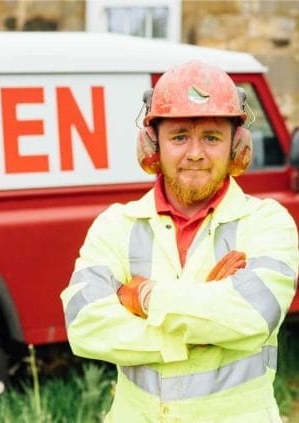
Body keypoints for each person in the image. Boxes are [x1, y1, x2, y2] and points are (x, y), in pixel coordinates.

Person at [60, 60, 299, 422]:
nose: (195, 153)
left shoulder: (267, 222)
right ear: (152, 146)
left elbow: (251, 315)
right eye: (179, 136)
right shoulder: (116, 225)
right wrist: (198, 330)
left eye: (212, 137)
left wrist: (142, 296)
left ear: (237, 146)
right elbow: (83, 325)